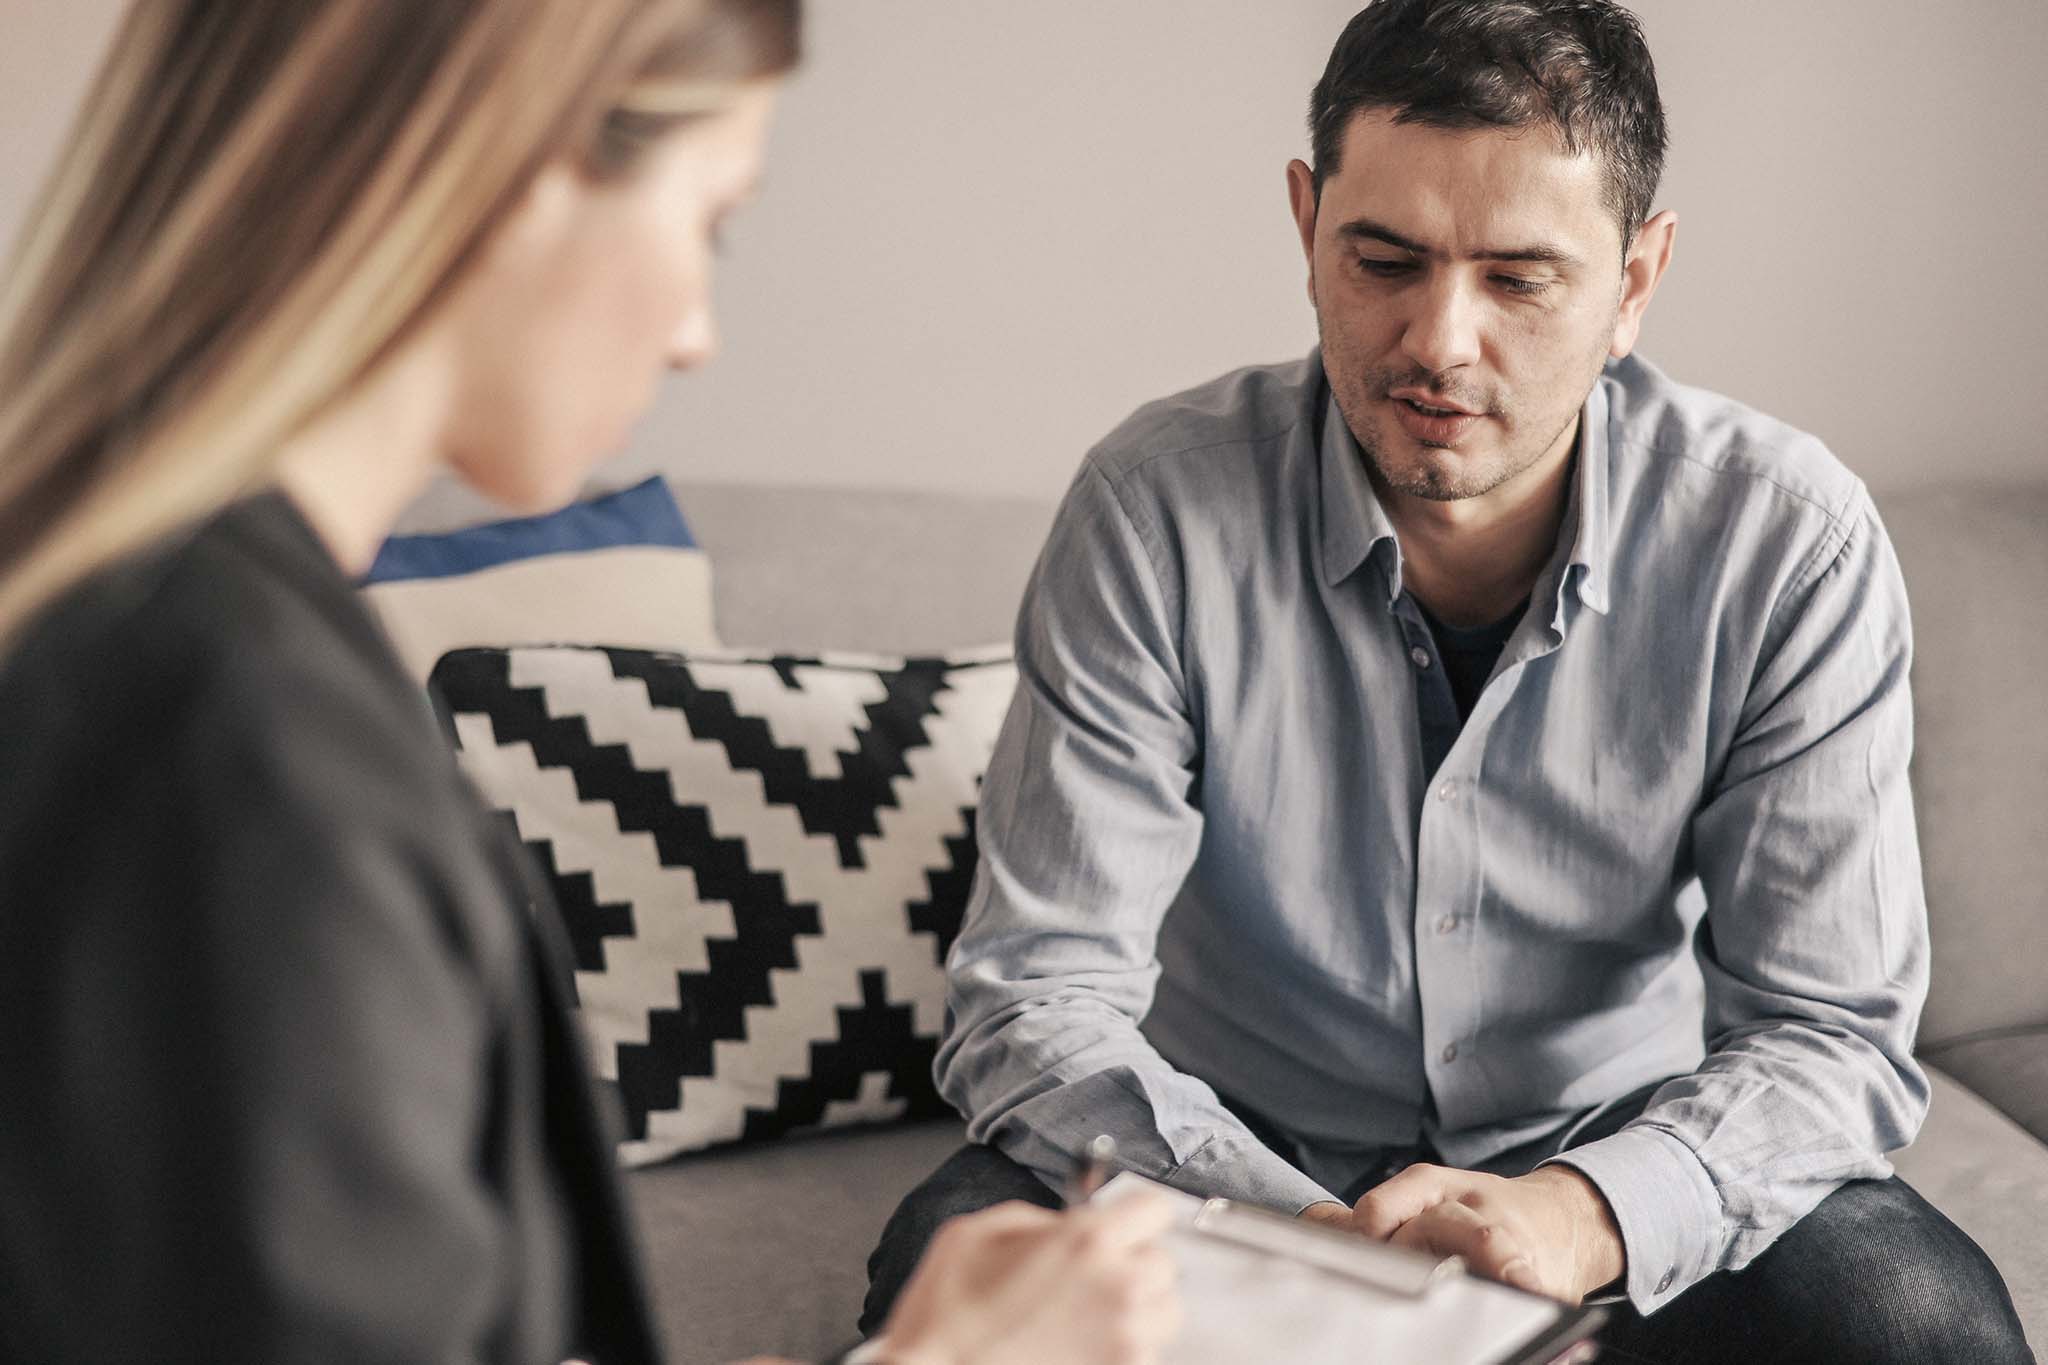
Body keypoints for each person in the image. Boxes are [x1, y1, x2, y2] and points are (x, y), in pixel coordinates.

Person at [0, 3, 1181, 1363]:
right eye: (712, 223)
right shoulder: (243, 746)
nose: (696, 334)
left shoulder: (182, 635)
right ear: (506, 177)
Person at [861, 2, 2035, 1362]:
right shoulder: (1152, 510)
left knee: (1920, 1323)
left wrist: (1581, 1212)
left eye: (1521, 277)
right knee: (941, 1277)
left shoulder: (1788, 542)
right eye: (1386, 258)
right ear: (1308, 226)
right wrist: (1309, 1238)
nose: (1439, 342)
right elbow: (1033, 993)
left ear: (1636, 280)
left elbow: (1829, 1033)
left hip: (1608, 1166)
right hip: (1230, 1156)